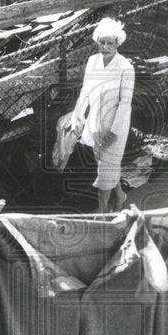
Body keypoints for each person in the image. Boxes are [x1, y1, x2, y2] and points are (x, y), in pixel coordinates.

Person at [69, 17, 135, 213]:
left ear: (117, 43)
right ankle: (121, 195)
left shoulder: (125, 67)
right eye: (102, 42)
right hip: (95, 122)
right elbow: (85, 91)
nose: (105, 47)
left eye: (110, 43)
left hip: (115, 124)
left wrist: (113, 132)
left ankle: (101, 208)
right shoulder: (92, 62)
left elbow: (125, 103)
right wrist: (77, 116)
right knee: (105, 163)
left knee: (106, 167)